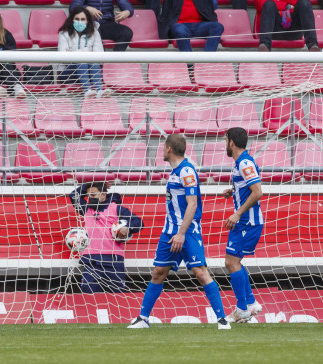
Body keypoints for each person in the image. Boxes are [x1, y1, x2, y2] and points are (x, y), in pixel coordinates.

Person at [129, 134, 230, 330]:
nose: (162, 150)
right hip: (169, 231)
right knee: (158, 272)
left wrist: (182, 233)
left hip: (187, 231)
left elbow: (193, 204)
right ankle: (143, 318)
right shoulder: (175, 171)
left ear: (169, 149)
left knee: (200, 272)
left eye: (163, 147)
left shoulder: (187, 171)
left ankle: (222, 320)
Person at [221, 127, 265, 323]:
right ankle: (250, 303)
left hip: (247, 221)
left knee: (231, 262)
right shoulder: (241, 162)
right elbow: (247, 187)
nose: (225, 144)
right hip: (246, 221)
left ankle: (242, 309)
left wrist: (237, 214)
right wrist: (234, 190)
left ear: (231, 142)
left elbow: (257, 192)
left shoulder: (244, 162)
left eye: (225, 140)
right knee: (234, 261)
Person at [68, 182, 143, 293]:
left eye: (93, 195)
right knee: (88, 297)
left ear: (103, 195)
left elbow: (139, 222)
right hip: (91, 261)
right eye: (88, 196)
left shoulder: (116, 209)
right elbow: (73, 195)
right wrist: (89, 185)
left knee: (117, 299)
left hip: (113, 261)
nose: (89, 198)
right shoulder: (86, 209)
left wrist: (128, 227)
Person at [151, 0, 226, 52]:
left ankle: (207, 59)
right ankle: (190, 62)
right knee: (179, 30)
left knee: (217, 27)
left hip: (201, 25)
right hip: (179, 24)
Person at [255, 0, 320, 52]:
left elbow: (305, 0)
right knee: (269, 4)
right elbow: (262, 4)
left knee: (304, 3)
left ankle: (313, 45)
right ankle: (264, 46)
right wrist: (288, 5)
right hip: (274, 29)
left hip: (294, 29)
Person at [70, 0, 134, 51]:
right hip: (90, 24)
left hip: (108, 23)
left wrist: (127, 11)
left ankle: (116, 59)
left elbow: (125, 4)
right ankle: (103, 59)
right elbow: (73, 7)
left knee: (126, 32)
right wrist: (87, 8)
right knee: (95, 32)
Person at [57, 7, 105, 97]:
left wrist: (72, 54)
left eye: (83, 19)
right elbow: (63, 59)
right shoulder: (63, 33)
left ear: (87, 21)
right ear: (72, 20)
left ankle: (99, 91)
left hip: (90, 73)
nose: (80, 22)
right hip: (67, 74)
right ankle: (87, 91)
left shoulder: (95, 33)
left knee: (93, 61)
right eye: (77, 19)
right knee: (82, 60)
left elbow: (100, 57)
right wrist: (87, 54)